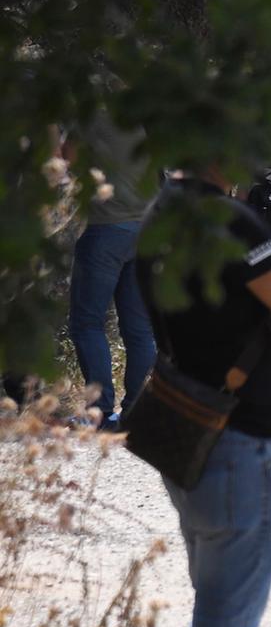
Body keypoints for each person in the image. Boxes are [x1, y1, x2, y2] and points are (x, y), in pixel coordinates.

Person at [136, 167, 271, 627]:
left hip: (190, 435)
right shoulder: (230, 220)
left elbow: (212, 317)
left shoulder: (161, 212)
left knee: (211, 626)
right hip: (243, 449)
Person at [65, 109, 158, 431]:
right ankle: (134, 411)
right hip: (145, 228)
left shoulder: (94, 109)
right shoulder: (149, 109)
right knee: (140, 329)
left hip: (106, 226)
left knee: (87, 323)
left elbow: (68, 155)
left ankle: (99, 412)